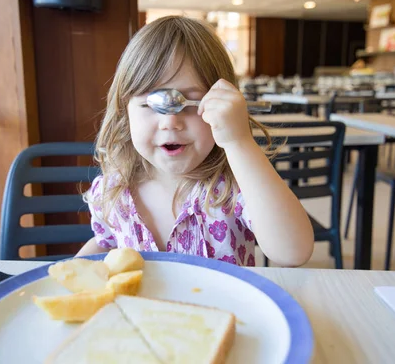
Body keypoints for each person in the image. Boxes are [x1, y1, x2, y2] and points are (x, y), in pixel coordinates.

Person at [76, 16, 313, 267]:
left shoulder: (234, 187)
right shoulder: (113, 190)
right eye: (151, 104)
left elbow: (293, 252)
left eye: (189, 103)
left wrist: (239, 141)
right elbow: (106, 242)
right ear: (125, 112)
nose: (170, 122)